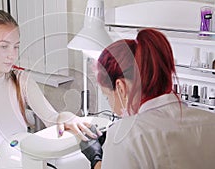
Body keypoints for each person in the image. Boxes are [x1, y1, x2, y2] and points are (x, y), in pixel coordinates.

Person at [0, 10, 98, 169]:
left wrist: (69, 119)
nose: (12, 55)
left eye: (16, 47)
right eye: (4, 46)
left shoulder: (21, 80)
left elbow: (52, 118)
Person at [80, 28, 215, 169]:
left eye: (107, 97)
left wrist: (95, 159)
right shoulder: (211, 122)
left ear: (120, 87)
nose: (113, 109)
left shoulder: (125, 138)